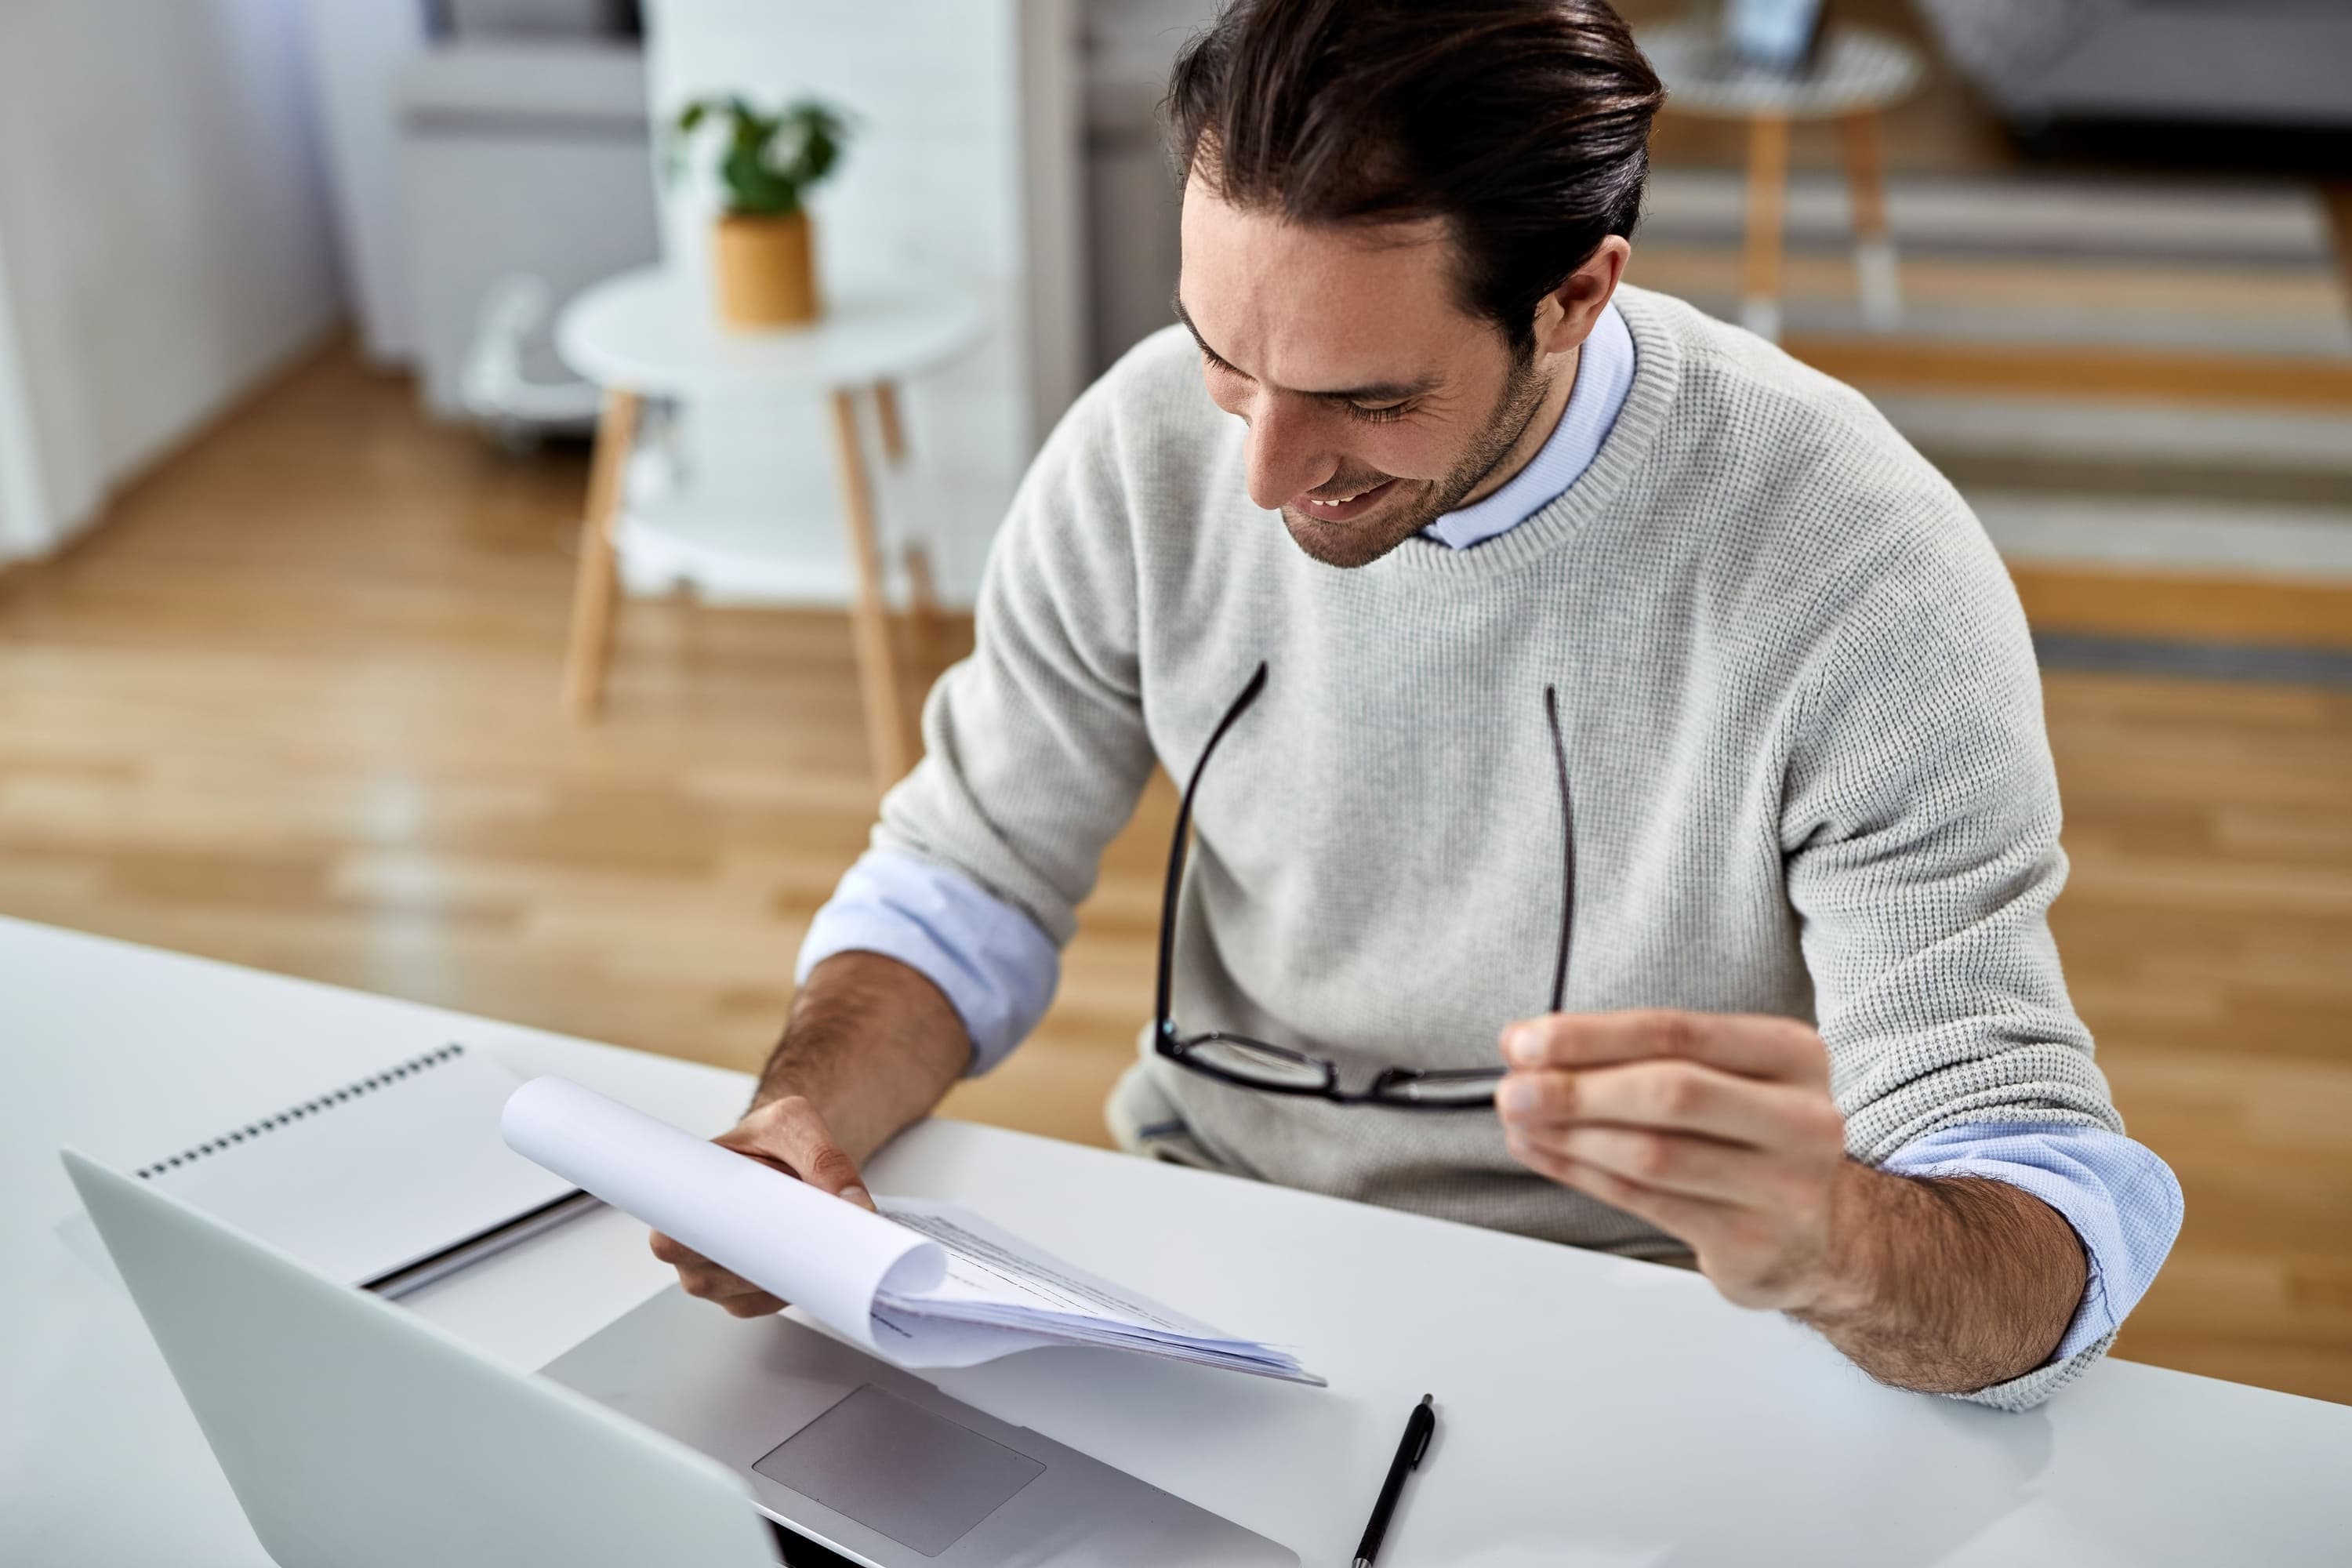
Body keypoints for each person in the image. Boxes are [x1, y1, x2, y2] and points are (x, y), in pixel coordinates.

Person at [650, 0, 2180, 1410]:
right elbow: (966, 879)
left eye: (1369, 399)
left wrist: (1832, 1236)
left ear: (1575, 294)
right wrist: (800, 1117)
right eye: (1226, 359)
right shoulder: (1138, 451)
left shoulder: (1863, 573)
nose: (1262, 474)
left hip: (1647, 1323)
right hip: (1213, 1259)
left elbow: (2036, 1225)